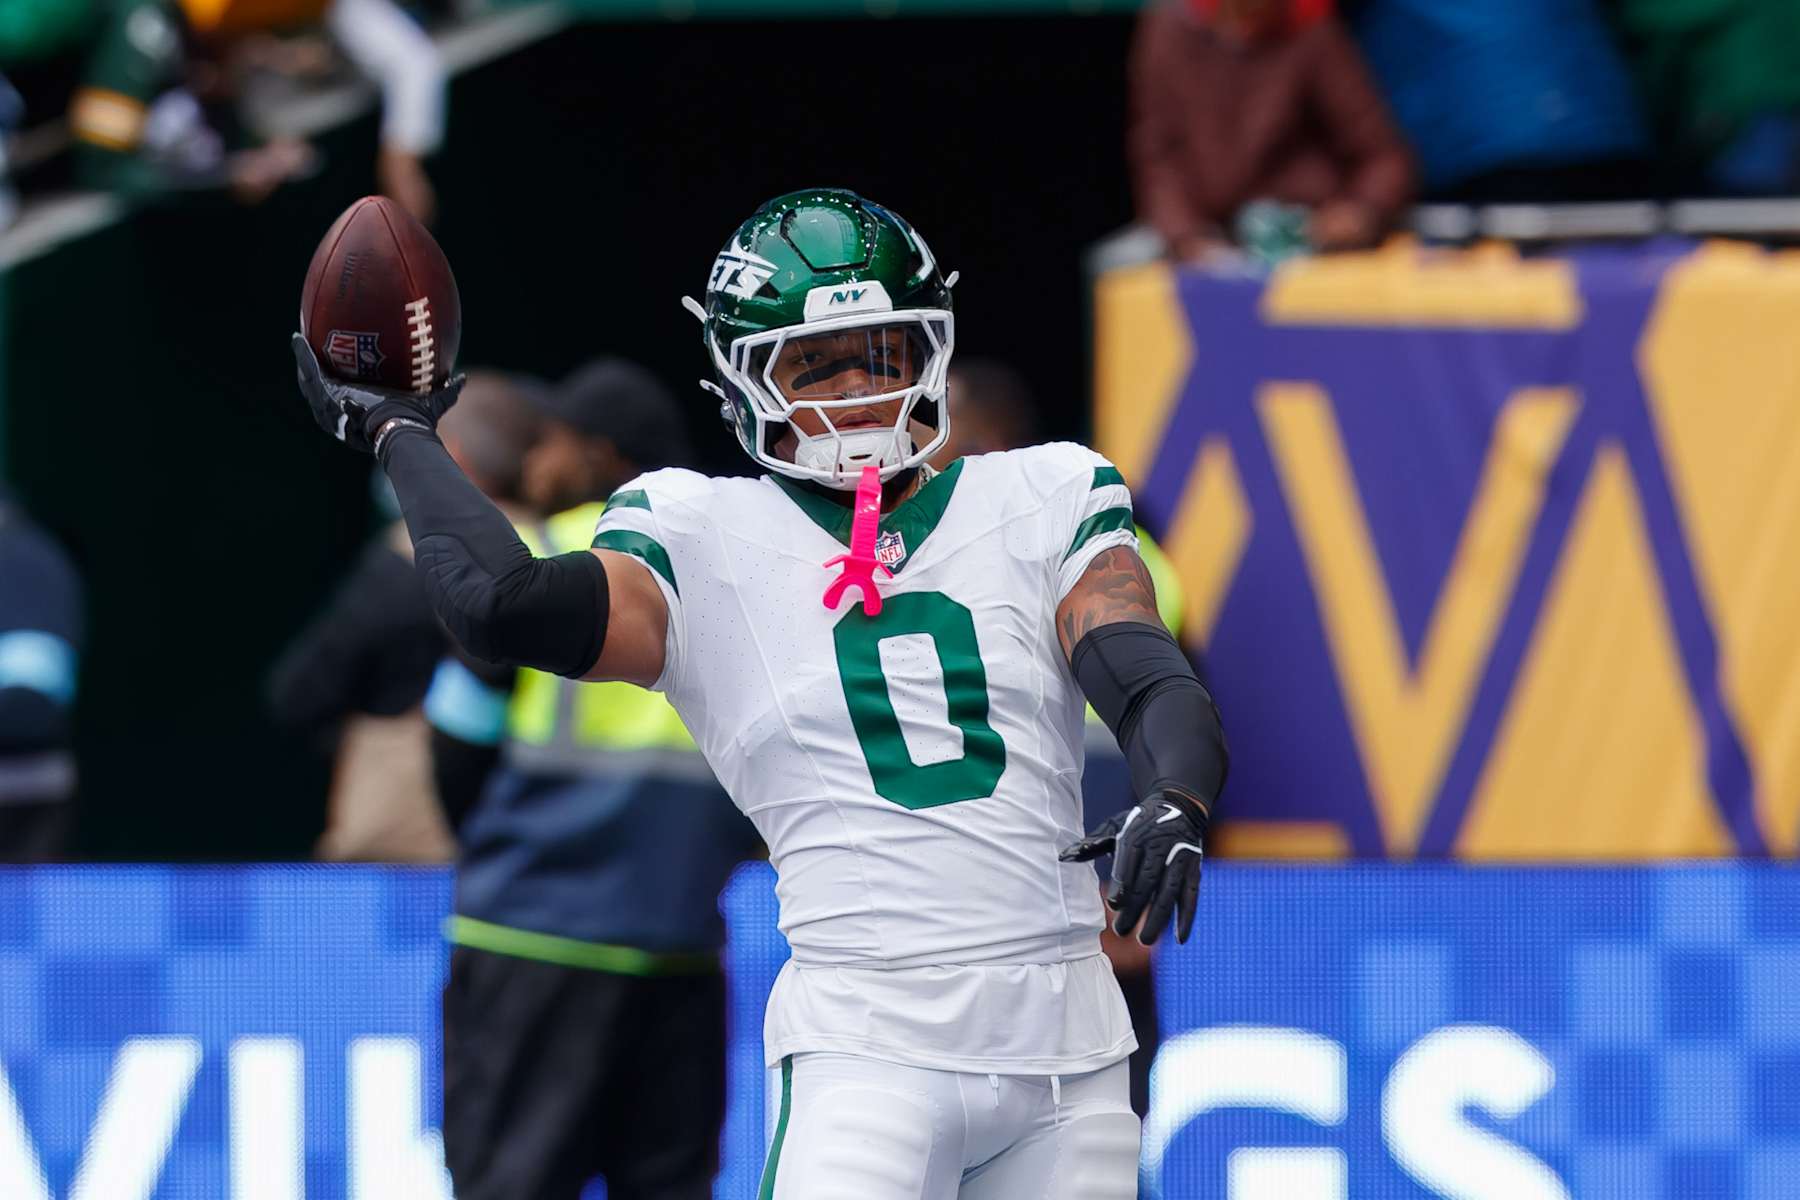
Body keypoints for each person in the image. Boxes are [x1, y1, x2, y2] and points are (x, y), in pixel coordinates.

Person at [293, 188, 1229, 1199]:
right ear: (741, 377)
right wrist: (402, 430)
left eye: (881, 355)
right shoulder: (698, 534)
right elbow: (502, 603)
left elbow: (1139, 672)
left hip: (1068, 1050)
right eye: (813, 364)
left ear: (933, 353)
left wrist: (1174, 793)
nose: (856, 394)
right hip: (871, 1049)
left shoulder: (1047, 493)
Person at [423, 360, 760, 1200]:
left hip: (529, 945)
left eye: (555, 444)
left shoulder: (537, 555)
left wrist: (505, 852)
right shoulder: (740, 578)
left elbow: (456, 746)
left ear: (600, 454)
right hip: (679, 946)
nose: (538, 463)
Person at [268, 371, 540, 861]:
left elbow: (298, 694)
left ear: (451, 455)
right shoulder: (570, 554)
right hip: (551, 857)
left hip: (414, 862)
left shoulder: (406, 562)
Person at [1129, 0, 1414, 262]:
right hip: (1213, 239)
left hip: (1308, 240)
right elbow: (1158, 154)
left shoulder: (1310, 30)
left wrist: (1358, 212)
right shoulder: (1170, 28)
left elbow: (1384, 155)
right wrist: (1186, 236)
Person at [0, 485, 83, 861]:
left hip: (34, 761)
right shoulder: (51, 558)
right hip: (49, 767)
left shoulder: (33, 560)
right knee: (26, 901)